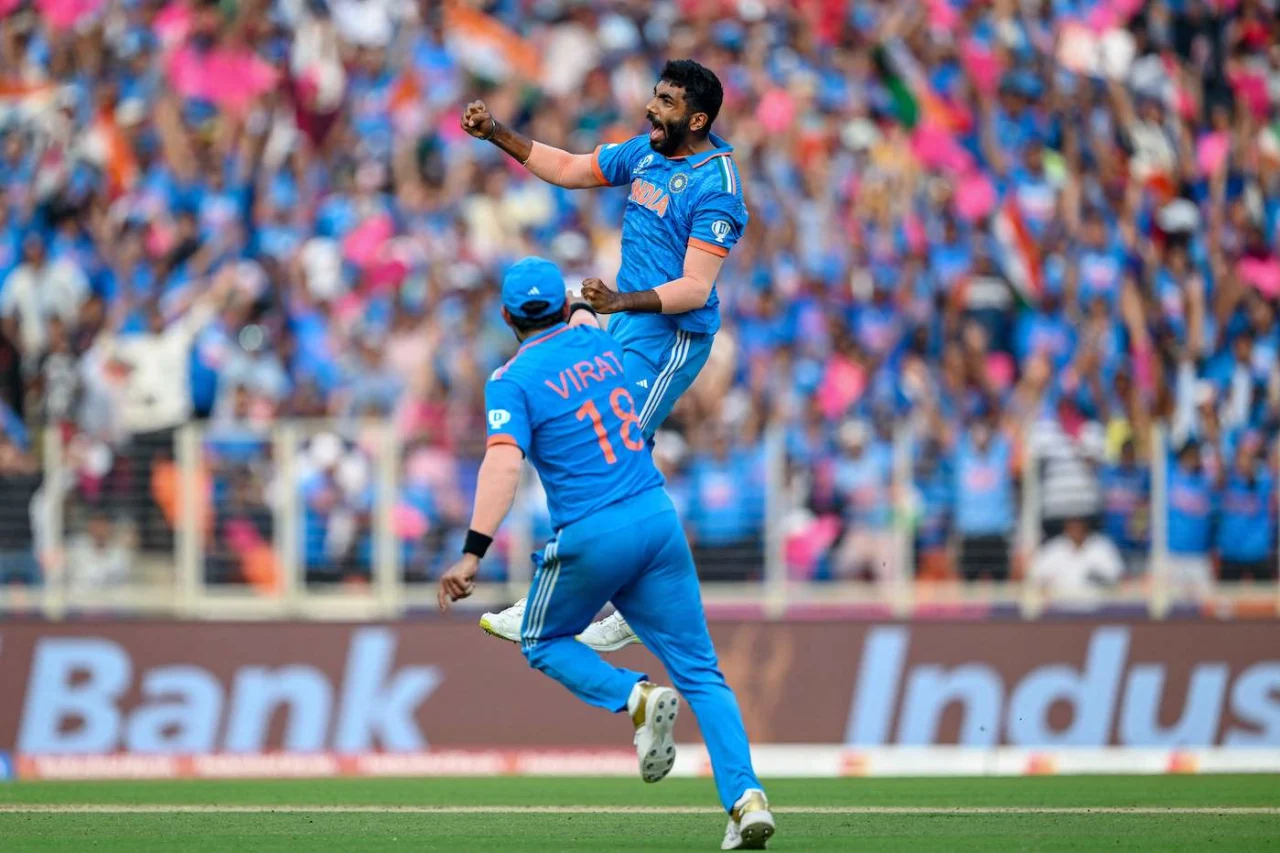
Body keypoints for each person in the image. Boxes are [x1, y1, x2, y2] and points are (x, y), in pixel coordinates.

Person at [437, 258, 774, 850]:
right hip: (656, 518)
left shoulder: (510, 379)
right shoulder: (597, 340)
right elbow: (588, 317)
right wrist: (586, 302)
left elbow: (503, 463)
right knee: (702, 673)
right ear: (565, 309)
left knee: (540, 640)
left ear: (506, 316)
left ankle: (634, 697)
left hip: (592, 535)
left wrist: (472, 553)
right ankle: (746, 800)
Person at [461, 59, 747, 650]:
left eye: (665, 102)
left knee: (610, 457)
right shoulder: (646, 152)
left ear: (696, 118)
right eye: (654, 95)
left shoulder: (717, 186)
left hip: (670, 336)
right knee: (580, 442)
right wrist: (496, 133)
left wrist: (619, 300)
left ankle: (566, 603)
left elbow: (695, 289)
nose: (651, 108)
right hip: (626, 325)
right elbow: (567, 168)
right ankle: (639, 603)